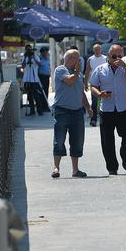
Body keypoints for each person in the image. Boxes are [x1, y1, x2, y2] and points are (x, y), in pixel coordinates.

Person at [89, 44, 126, 175]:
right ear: (108, 56)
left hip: (125, 108)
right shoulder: (100, 69)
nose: (117, 58)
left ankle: (125, 155)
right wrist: (99, 94)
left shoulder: (125, 67)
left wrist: (124, 65)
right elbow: (92, 86)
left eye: (120, 56)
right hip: (107, 109)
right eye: (114, 56)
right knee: (107, 140)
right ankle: (112, 167)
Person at [51, 49, 93, 178]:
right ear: (69, 59)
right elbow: (69, 81)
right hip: (62, 111)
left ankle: (75, 170)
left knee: (77, 141)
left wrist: (88, 107)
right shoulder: (60, 70)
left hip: (77, 112)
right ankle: (56, 168)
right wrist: (77, 72)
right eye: (77, 58)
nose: (79, 61)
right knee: (59, 140)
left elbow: (81, 92)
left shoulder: (77, 74)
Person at [21, 44, 49, 116]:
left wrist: (33, 56)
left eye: (30, 49)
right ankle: (32, 111)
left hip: (34, 79)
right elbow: (23, 66)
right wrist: (25, 57)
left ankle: (40, 111)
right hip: (27, 79)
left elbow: (40, 65)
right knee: (29, 96)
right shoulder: (25, 57)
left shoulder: (35, 56)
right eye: (27, 50)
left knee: (36, 96)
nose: (29, 51)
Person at [84, 44, 106, 127]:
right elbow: (87, 71)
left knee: (104, 101)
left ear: (101, 50)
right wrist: (85, 83)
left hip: (104, 82)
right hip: (94, 83)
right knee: (94, 102)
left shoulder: (105, 58)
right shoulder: (90, 59)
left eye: (98, 49)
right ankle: (93, 120)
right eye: (95, 49)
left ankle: (104, 118)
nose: (97, 51)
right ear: (94, 50)